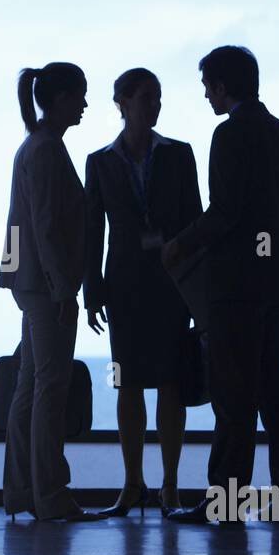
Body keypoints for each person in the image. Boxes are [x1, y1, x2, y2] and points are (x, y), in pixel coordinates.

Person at [161, 46, 279, 525]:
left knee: (232, 396)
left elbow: (223, 213)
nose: (206, 96)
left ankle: (226, 503)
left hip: (232, 286)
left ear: (223, 87)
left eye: (208, 87)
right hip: (275, 282)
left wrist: (180, 245)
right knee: (276, 390)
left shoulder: (228, 135)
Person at [84, 68, 203, 517]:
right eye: (146, 98)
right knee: (128, 382)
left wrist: (196, 289)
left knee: (171, 382)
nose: (154, 106)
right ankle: (133, 484)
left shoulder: (179, 155)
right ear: (122, 103)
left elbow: (194, 220)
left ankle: (169, 487)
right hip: (125, 286)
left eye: (157, 98)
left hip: (172, 283)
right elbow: (92, 229)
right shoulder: (100, 162)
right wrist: (91, 289)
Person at [0, 63, 105, 522]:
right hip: (45, 286)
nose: (84, 104)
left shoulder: (38, 147)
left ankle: (23, 490)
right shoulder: (45, 151)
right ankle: (50, 493)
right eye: (79, 95)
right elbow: (46, 226)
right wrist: (65, 289)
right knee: (50, 386)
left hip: (30, 282)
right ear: (59, 98)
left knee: (31, 385)